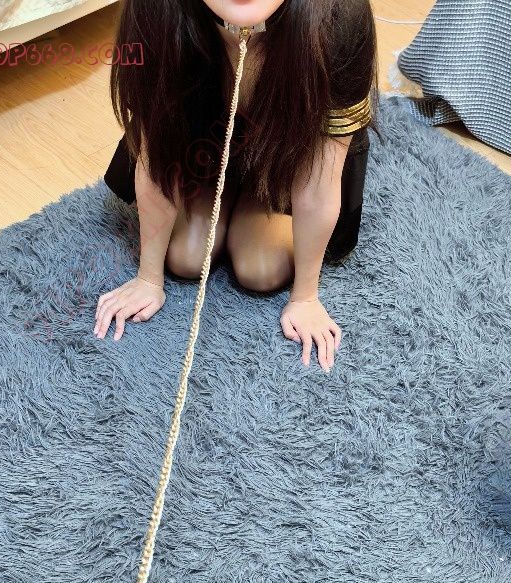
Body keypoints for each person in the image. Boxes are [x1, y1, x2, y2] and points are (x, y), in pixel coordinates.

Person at [95, 0, 378, 371]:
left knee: (260, 269)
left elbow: (318, 185)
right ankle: (222, 191)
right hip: (200, 151)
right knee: (184, 257)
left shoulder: (340, 18)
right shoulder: (156, 10)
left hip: (288, 162)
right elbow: (156, 158)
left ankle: (254, 200)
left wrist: (305, 298)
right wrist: (148, 277)